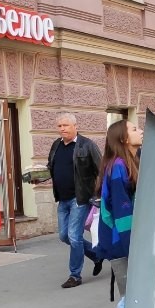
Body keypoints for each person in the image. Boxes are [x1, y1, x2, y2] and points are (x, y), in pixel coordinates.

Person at [95, 119, 143, 308]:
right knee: (128, 298)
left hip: (124, 241)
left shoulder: (129, 162)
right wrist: (132, 246)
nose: (141, 131)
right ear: (123, 139)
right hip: (120, 243)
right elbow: (122, 213)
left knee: (134, 295)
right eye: (135, 129)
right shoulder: (119, 167)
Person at [47, 112, 103, 289]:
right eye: (59, 126)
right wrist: (39, 177)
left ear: (75, 127)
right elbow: (51, 167)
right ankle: (96, 254)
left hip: (80, 198)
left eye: (65, 125)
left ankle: (75, 275)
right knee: (64, 236)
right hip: (62, 198)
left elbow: (100, 169)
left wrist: (99, 193)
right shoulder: (56, 145)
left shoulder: (87, 145)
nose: (62, 129)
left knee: (74, 236)